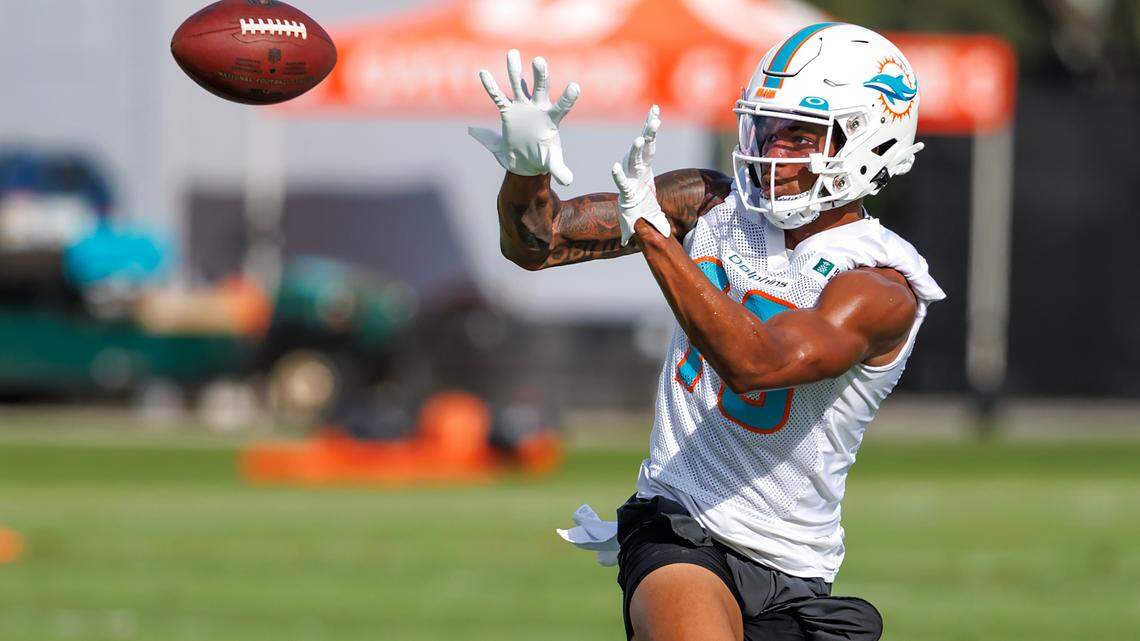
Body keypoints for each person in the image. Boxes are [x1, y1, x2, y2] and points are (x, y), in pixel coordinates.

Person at [470, 23, 945, 641]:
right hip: (678, 521)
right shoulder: (709, 203)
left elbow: (758, 364)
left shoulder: (879, 287)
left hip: (798, 566)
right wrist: (526, 173)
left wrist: (655, 238)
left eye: (799, 134)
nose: (773, 151)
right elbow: (540, 244)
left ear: (867, 141)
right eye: (768, 129)